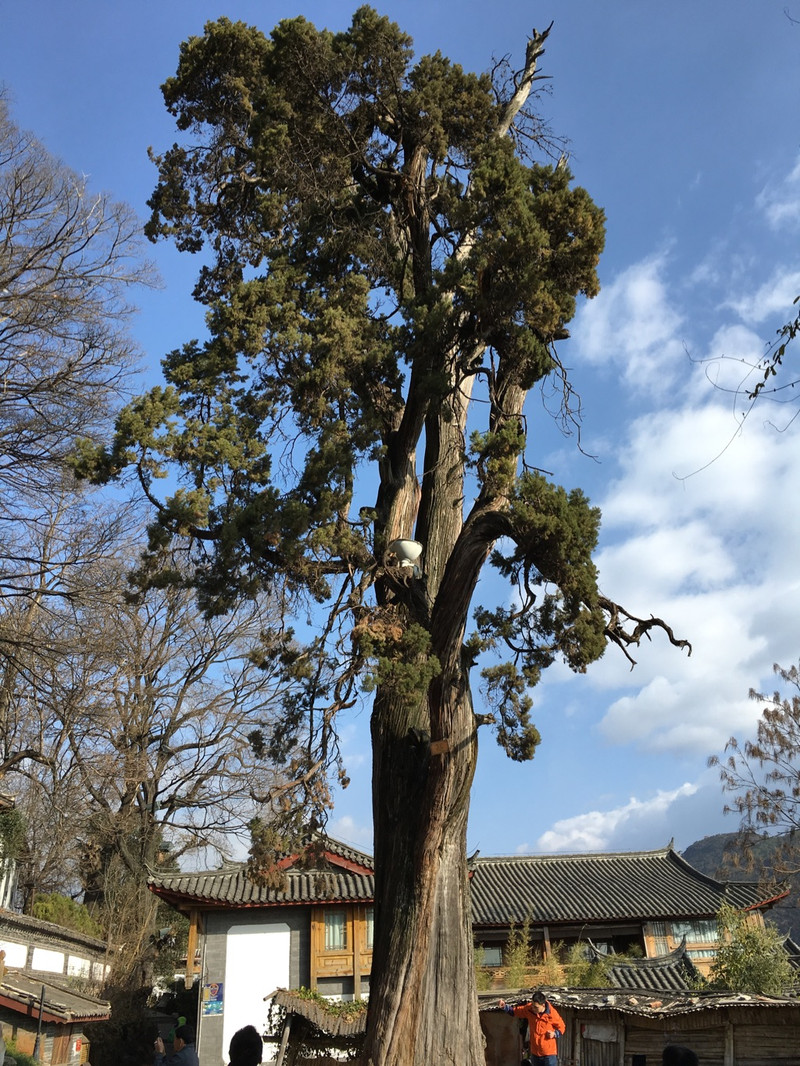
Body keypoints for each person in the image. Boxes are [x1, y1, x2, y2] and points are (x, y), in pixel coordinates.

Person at [498, 990, 565, 1066]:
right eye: (532, 1005)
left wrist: (554, 1034)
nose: (533, 1008)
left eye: (536, 1007)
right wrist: (504, 1007)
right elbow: (515, 1011)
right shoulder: (529, 1009)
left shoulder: (552, 1014)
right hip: (535, 1053)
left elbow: (562, 1027)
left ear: (543, 1005)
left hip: (548, 1054)